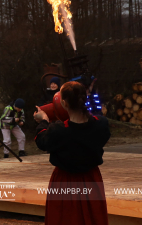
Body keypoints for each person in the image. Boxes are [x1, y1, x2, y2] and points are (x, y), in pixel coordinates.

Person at [34, 81, 110, 225]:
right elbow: (91, 124)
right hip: (91, 180)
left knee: (64, 219)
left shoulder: (59, 131)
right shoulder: (101, 124)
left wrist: (44, 120)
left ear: (64, 103)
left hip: (64, 182)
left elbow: (42, 141)